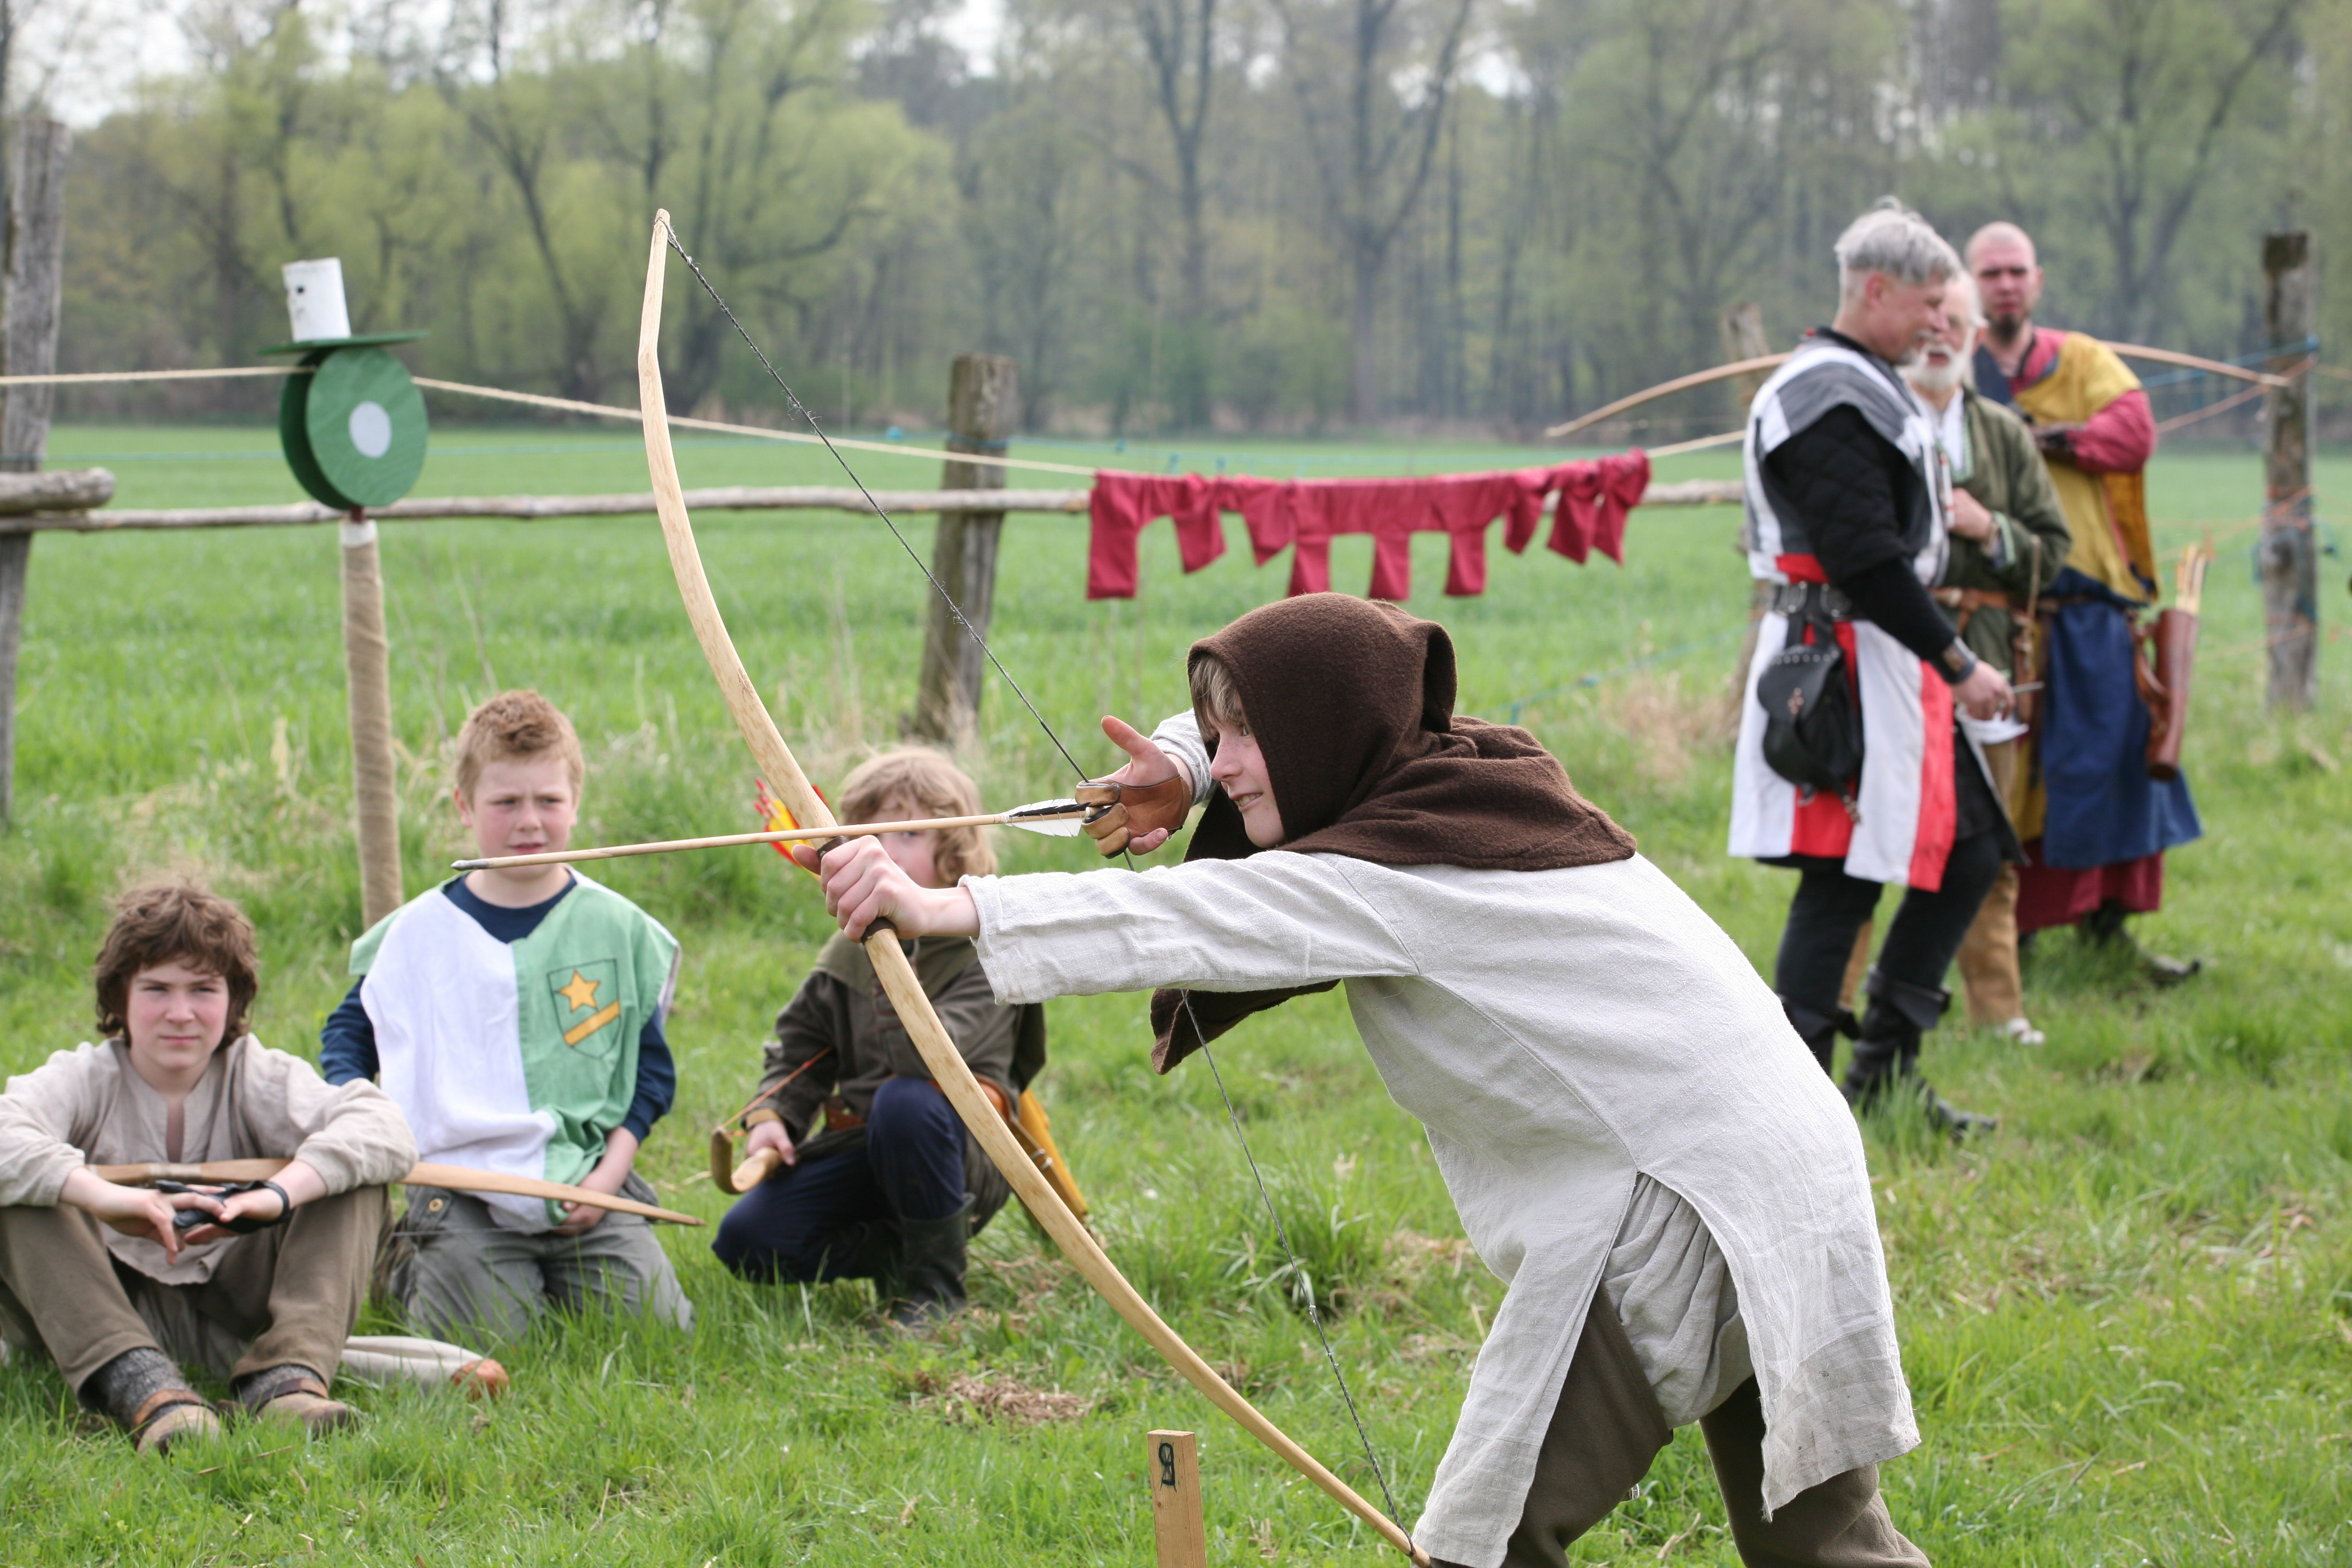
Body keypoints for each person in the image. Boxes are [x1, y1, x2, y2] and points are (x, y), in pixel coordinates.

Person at [800, 594, 1930, 1568]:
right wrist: (1187, 764)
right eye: (1218, 735)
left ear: (1321, 731)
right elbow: (1319, 690)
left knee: (1489, 1542)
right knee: (1824, 1546)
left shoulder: (1397, 864)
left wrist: (942, 906)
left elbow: (1188, 913)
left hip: (1673, 1201)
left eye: (1244, 736)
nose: (1227, 760)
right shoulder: (1469, 771)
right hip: (1783, 1160)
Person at [1728, 199, 2013, 1131]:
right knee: (1841, 878)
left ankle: (1883, 1074)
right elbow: (1863, 559)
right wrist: (1958, 661)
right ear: (1877, 290)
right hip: (1838, 667)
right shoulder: (1829, 397)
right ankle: (1796, 1114)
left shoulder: (1863, 382)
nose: (1940, 323)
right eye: (1929, 304)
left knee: (1972, 848)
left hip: (1882, 660)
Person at [321, 690, 694, 1341]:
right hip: (461, 1187)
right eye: (505, 802)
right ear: (464, 806)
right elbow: (348, 1038)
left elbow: (651, 1075)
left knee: (657, 1331)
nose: (529, 822)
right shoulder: (417, 933)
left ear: (575, 801)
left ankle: (564, 1256)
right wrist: (367, 1122)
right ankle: (407, 1258)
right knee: (487, 1340)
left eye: (548, 800)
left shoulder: (619, 928)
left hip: (585, 1178)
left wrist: (607, 1177)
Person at [0, 883, 415, 1453]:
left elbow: (383, 1126)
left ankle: (286, 1383)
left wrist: (276, 1195)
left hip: (235, 1301)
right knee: (22, 1193)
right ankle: (142, 1387)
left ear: (233, 998)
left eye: (203, 989)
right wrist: (104, 1198)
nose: (181, 1013)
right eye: (157, 989)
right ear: (120, 996)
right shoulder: (84, 1078)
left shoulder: (257, 1074)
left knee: (353, 1177)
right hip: (98, 1305)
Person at [711, 749, 1040, 1331]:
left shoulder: (986, 953)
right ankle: (897, 1254)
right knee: (749, 1240)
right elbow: (801, 1045)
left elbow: (927, 1059)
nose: (883, 849)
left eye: (909, 832)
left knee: (905, 1100)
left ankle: (935, 1291)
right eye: (869, 834)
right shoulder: (849, 948)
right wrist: (774, 1116)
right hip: (864, 1148)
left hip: (958, 1157)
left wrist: (892, 955)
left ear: (954, 849)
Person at [1966, 221, 2201, 978]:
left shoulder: (2083, 360)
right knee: (2010, 778)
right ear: (1970, 285)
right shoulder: (1955, 367)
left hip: (2091, 612)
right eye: (1991, 273)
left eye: (2017, 271)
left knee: (2116, 765)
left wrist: (2037, 439)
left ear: (2037, 281)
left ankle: (2109, 930)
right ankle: (2009, 938)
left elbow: (2130, 433)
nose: (2006, 285)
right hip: (1993, 610)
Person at [1895, 276, 2073, 1044]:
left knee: (1989, 843)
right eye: (1928, 324)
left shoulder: (2001, 431)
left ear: (1972, 338)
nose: (1940, 337)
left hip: (1988, 659)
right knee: (1868, 847)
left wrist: (1989, 528)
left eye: (1955, 325)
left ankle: (1999, 1015)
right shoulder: (1877, 419)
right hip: (1891, 654)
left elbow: (2053, 549)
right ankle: (1831, 1010)